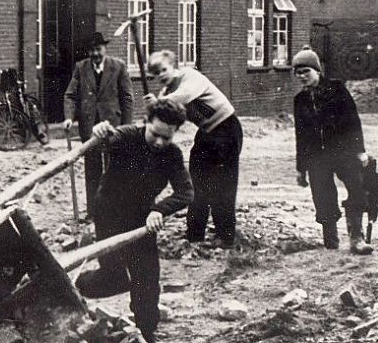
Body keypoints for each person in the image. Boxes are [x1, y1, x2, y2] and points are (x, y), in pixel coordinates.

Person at [75, 98, 193, 343]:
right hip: (109, 213)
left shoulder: (172, 155)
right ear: (146, 123)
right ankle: (71, 286)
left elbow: (186, 192)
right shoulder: (127, 136)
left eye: (167, 137)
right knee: (115, 279)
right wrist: (100, 131)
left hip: (141, 218)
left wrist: (159, 210)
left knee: (147, 277)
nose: (160, 142)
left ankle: (147, 332)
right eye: (155, 134)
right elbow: (102, 142)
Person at [145, 50, 243, 248]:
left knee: (222, 183)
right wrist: (153, 112)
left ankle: (225, 237)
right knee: (196, 181)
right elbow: (170, 117)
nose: (161, 75)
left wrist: (158, 103)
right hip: (207, 132)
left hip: (227, 128)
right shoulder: (165, 94)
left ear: (174, 66)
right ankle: (194, 234)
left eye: (164, 69)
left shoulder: (190, 77)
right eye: (156, 73)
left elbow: (185, 95)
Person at [291, 46, 375, 254]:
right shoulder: (299, 100)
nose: (302, 77)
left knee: (356, 188)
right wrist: (301, 168)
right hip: (317, 158)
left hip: (343, 151)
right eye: (298, 73)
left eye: (306, 72)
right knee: (322, 196)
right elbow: (301, 136)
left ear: (317, 71)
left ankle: (357, 238)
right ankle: (331, 241)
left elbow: (353, 121)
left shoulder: (337, 90)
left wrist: (360, 150)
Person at [63, 31, 134, 218]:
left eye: (98, 49)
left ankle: (114, 209)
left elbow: (127, 98)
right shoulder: (81, 67)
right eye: (91, 50)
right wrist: (69, 117)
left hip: (113, 126)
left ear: (105, 49)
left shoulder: (118, 67)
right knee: (92, 169)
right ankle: (94, 212)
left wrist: (126, 127)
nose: (95, 54)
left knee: (114, 167)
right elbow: (70, 94)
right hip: (89, 127)